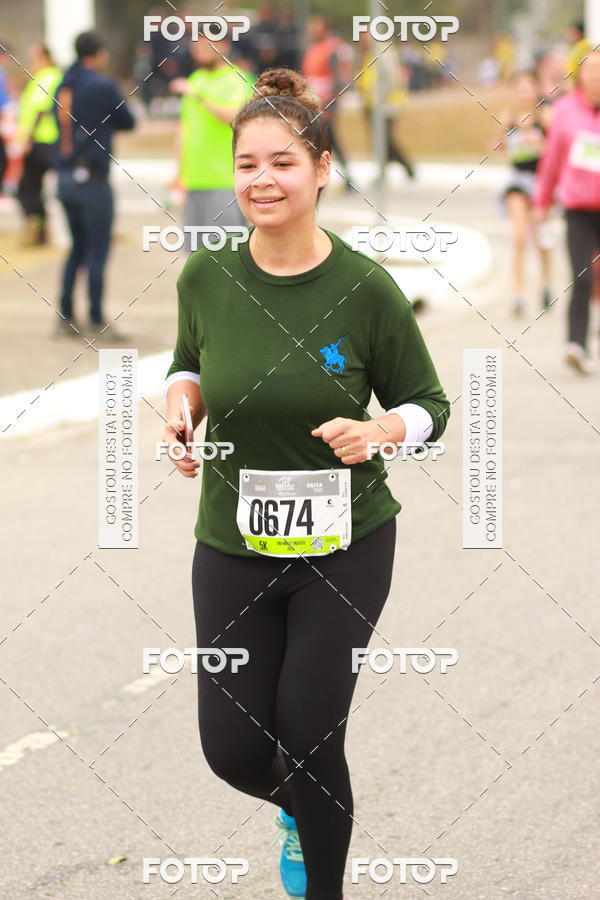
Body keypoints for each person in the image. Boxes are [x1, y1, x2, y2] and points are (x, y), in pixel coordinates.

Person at [161, 68, 450, 900]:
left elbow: (428, 403)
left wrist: (381, 429)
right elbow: (189, 364)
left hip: (346, 544)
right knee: (235, 749)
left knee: (310, 734)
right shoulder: (205, 277)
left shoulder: (365, 288)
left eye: (282, 162)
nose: (261, 180)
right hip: (232, 542)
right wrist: (182, 410)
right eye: (247, 163)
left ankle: (323, 886)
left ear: (322, 168)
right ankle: (306, 810)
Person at [53, 31, 134, 338]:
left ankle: (65, 315)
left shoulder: (64, 83)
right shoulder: (103, 86)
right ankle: (97, 317)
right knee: (97, 249)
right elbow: (128, 121)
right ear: (99, 54)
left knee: (76, 247)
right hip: (93, 178)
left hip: (64, 176)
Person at [533, 51, 600, 374]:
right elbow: (551, 161)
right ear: (579, 74)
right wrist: (541, 202)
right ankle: (576, 343)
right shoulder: (566, 111)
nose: (595, 76)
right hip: (579, 210)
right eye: (589, 70)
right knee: (583, 275)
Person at [169, 33, 255, 253]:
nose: (199, 49)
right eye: (195, 44)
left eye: (207, 44)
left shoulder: (238, 79)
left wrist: (198, 95)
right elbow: (185, 131)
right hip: (194, 182)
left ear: (223, 46)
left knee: (225, 255)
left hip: (225, 181)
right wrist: (178, 174)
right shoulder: (195, 79)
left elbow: (233, 116)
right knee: (195, 259)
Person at [492, 70, 553, 316]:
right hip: (516, 182)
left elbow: (556, 147)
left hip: (540, 182)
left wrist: (538, 144)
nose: (524, 92)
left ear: (536, 91)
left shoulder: (545, 117)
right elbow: (495, 147)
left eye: (529, 88)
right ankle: (518, 294)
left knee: (542, 239)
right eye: (520, 88)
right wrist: (505, 135)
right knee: (519, 238)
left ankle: (546, 284)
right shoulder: (509, 117)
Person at [14, 43, 61, 245]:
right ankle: (40, 229)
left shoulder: (49, 77)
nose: (31, 63)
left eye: (34, 58)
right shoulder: (42, 78)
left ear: (45, 57)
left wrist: (28, 139)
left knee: (28, 187)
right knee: (30, 187)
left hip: (44, 140)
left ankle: (39, 230)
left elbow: (41, 110)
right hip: (41, 139)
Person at [302, 14, 353, 191]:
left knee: (328, 140)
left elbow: (339, 78)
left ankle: (347, 178)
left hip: (326, 104)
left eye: (316, 25)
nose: (312, 29)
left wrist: (330, 104)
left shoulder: (333, 48)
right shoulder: (313, 47)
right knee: (319, 140)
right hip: (312, 102)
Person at [355, 29, 415, 181]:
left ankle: (404, 166)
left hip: (386, 105)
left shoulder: (383, 52)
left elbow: (392, 79)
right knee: (379, 140)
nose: (362, 39)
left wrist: (382, 100)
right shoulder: (370, 52)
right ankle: (385, 170)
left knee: (385, 140)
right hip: (372, 103)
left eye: (365, 35)